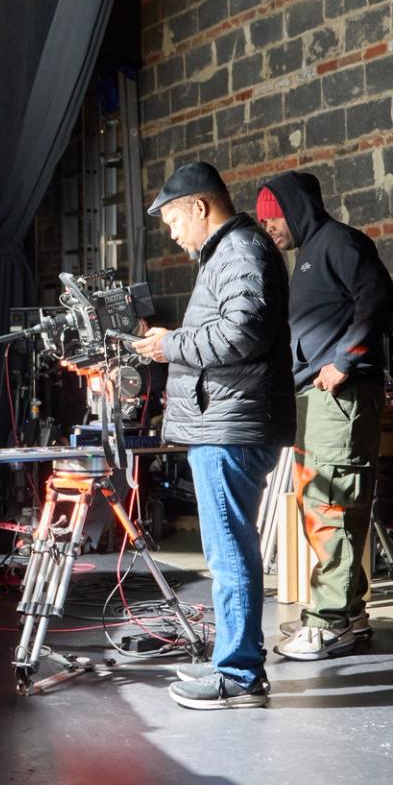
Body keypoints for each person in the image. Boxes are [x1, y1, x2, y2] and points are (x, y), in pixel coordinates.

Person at [131, 162, 292, 709]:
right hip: (226, 420)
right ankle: (237, 665)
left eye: (174, 220)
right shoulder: (230, 251)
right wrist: (174, 340)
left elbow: (242, 332)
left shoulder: (241, 249)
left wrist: (171, 345)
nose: (173, 235)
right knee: (229, 549)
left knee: (228, 553)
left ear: (200, 206)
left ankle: (240, 675)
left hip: (231, 425)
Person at [256, 171, 393, 660]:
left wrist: (344, 360)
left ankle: (328, 623)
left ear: (295, 209)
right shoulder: (309, 256)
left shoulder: (339, 241)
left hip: (340, 396)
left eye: (272, 218)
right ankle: (349, 612)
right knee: (322, 505)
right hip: (316, 400)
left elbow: (379, 297)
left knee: (332, 505)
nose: (268, 228)